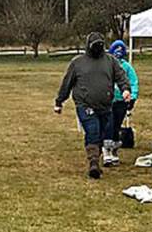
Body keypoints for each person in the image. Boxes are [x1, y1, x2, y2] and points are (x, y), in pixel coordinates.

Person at [54, 32, 132, 179]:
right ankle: (94, 163)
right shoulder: (77, 63)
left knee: (101, 134)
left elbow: (121, 77)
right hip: (85, 104)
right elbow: (67, 83)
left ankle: (96, 155)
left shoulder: (111, 61)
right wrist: (59, 101)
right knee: (92, 130)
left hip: (105, 105)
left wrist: (126, 90)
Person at [106, 40, 139, 166]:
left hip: (121, 101)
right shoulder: (106, 66)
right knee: (108, 124)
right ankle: (106, 150)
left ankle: (114, 150)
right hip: (107, 100)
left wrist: (132, 97)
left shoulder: (127, 67)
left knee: (116, 125)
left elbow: (133, 82)